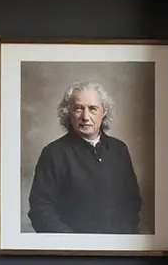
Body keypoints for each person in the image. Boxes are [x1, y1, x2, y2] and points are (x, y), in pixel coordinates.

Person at [28, 81, 142, 234]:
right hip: (71, 246)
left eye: (93, 109)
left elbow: (132, 201)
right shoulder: (53, 153)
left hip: (117, 243)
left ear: (104, 112)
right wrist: (72, 242)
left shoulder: (119, 149)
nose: (85, 117)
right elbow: (40, 208)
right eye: (78, 109)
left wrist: (122, 236)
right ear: (68, 113)